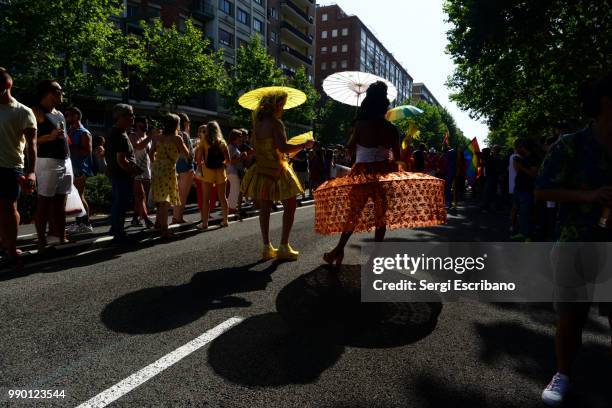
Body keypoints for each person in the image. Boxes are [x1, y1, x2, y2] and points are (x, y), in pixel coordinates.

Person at [536, 74, 612, 407]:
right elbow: (541, 190)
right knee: (572, 316)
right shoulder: (571, 144)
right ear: (606, 102)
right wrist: (589, 195)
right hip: (576, 241)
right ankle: (563, 374)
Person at [314, 82, 446, 266]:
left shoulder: (359, 125)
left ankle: (339, 249)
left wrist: (356, 132)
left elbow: (349, 152)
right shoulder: (391, 129)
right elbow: (397, 157)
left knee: (354, 213)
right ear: (384, 103)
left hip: (361, 173)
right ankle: (375, 257)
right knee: (380, 216)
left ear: (367, 101)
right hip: (383, 174)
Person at [240, 90, 314, 260]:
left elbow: (259, 148)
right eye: (282, 104)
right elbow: (283, 148)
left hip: (261, 170)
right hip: (278, 170)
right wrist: (304, 145)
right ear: (276, 105)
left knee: (265, 208)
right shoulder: (276, 123)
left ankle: (267, 247)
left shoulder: (257, 124)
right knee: (290, 205)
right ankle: (283, 246)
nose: (284, 108)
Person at [0, 67, 37, 267]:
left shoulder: (23, 112)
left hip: (10, 166)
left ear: (6, 86)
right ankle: (3, 242)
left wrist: (31, 172)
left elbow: (32, 145)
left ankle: (12, 248)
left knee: (8, 207)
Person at [32, 80, 72, 248]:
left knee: (61, 202)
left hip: (65, 160)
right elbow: (29, 141)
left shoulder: (60, 114)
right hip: (47, 161)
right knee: (44, 202)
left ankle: (61, 236)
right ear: (50, 92)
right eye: (60, 90)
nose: (63, 93)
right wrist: (50, 137)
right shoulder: (36, 111)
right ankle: (42, 241)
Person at [106, 104, 142, 242]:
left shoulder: (114, 132)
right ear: (120, 117)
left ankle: (115, 228)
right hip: (121, 175)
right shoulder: (120, 134)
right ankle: (118, 232)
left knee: (118, 202)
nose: (132, 118)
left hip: (116, 174)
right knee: (121, 203)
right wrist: (133, 170)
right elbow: (121, 159)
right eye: (130, 115)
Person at [150, 113, 189, 238]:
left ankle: (158, 224)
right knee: (166, 201)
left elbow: (151, 153)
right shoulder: (176, 138)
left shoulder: (157, 138)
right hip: (168, 169)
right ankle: (164, 230)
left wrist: (156, 163)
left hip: (157, 169)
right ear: (175, 125)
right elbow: (187, 154)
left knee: (160, 199)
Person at [196, 121, 230, 229]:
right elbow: (228, 160)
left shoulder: (203, 141)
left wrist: (201, 165)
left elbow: (198, 158)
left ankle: (205, 223)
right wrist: (221, 165)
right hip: (220, 172)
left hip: (207, 172)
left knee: (206, 199)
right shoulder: (222, 142)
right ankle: (225, 221)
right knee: (223, 198)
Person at [65, 106, 93, 233]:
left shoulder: (84, 132)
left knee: (80, 196)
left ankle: (87, 224)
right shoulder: (70, 131)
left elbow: (87, 151)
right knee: (75, 197)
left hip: (81, 169)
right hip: (72, 168)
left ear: (76, 116)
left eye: (68, 115)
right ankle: (79, 223)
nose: (66, 117)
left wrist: (69, 148)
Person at [129, 116, 154, 229]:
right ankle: (146, 219)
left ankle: (135, 217)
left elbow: (151, 153)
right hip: (136, 170)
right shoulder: (133, 136)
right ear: (138, 124)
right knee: (140, 195)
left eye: (147, 122)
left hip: (146, 170)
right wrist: (150, 137)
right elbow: (138, 146)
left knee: (142, 197)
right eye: (144, 122)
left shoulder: (147, 137)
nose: (146, 124)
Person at [512, 138, 538, 241]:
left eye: (520, 147)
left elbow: (534, 174)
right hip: (519, 188)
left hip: (527, 189)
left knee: (526, 212)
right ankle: (522, 232)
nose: (518, 149)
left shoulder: (533, 158)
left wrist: (520, 167)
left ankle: (528, 235)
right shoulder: (523, 157)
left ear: (524, 147)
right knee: (521, 212)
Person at [172, 112, 195, 224]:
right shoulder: (184, 135)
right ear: (185, 122)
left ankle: (177, 217)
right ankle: (177, 217)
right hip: (186, 166)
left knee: (179, 194)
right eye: (188, 122)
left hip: (178, 165)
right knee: (183, 194)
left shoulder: (175, 134)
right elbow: (188, 154)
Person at [226, 129, 247, 214]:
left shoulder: (233, 146)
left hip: (232, 171)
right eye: (240, 136)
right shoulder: (231, 147)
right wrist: (241, 156)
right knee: (235, 190)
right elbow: (232, 161)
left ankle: (231, 207)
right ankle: (231, 208)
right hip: (233, 171)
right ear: (235, 137)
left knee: (234, 190)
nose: (241, 138)